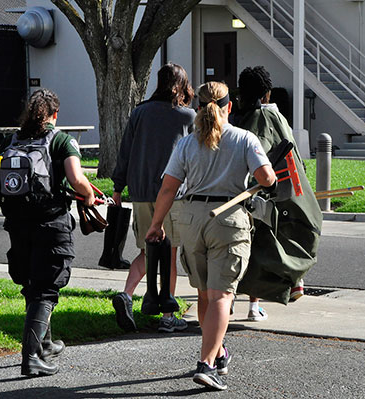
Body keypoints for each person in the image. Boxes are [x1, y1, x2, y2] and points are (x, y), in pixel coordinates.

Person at [0, 89, 95, 377]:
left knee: (33, 284)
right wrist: (90, 196)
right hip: (51, 224)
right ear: (54, 115)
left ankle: (44, 344)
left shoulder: (11, 142)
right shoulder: (61, 141)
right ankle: (31, 358)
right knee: (45, 288)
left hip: (17, 225)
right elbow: (76, 179)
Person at [146, 81, 276, 390]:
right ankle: (206, 364)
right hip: (228, 219)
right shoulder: (244, 138)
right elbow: (266, 178)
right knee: (222, 295)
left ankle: (218, 353)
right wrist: (266, 176)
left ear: (198, 107)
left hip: (192, 219)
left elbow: (168, 187)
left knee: (205, 294)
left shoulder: (188, 143)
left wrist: (156, 223)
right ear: (230, 106)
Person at [111, 63, 195, 333]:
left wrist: (117, 186)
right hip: (171, 194)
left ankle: (126, 295)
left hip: (139, 190)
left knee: (147, 250)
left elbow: (125, 151)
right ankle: (169, 317)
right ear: (181, 86)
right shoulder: (187, 116)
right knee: (168, 253)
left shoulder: (139, 112)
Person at [234, 66, 322, 307]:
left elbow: (255, 157)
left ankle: (247, 302)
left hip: (267, 193)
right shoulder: (277, 116)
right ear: (267, 94)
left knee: (256, 246)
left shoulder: (258, 118)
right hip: (289, 191)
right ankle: (258, 303)